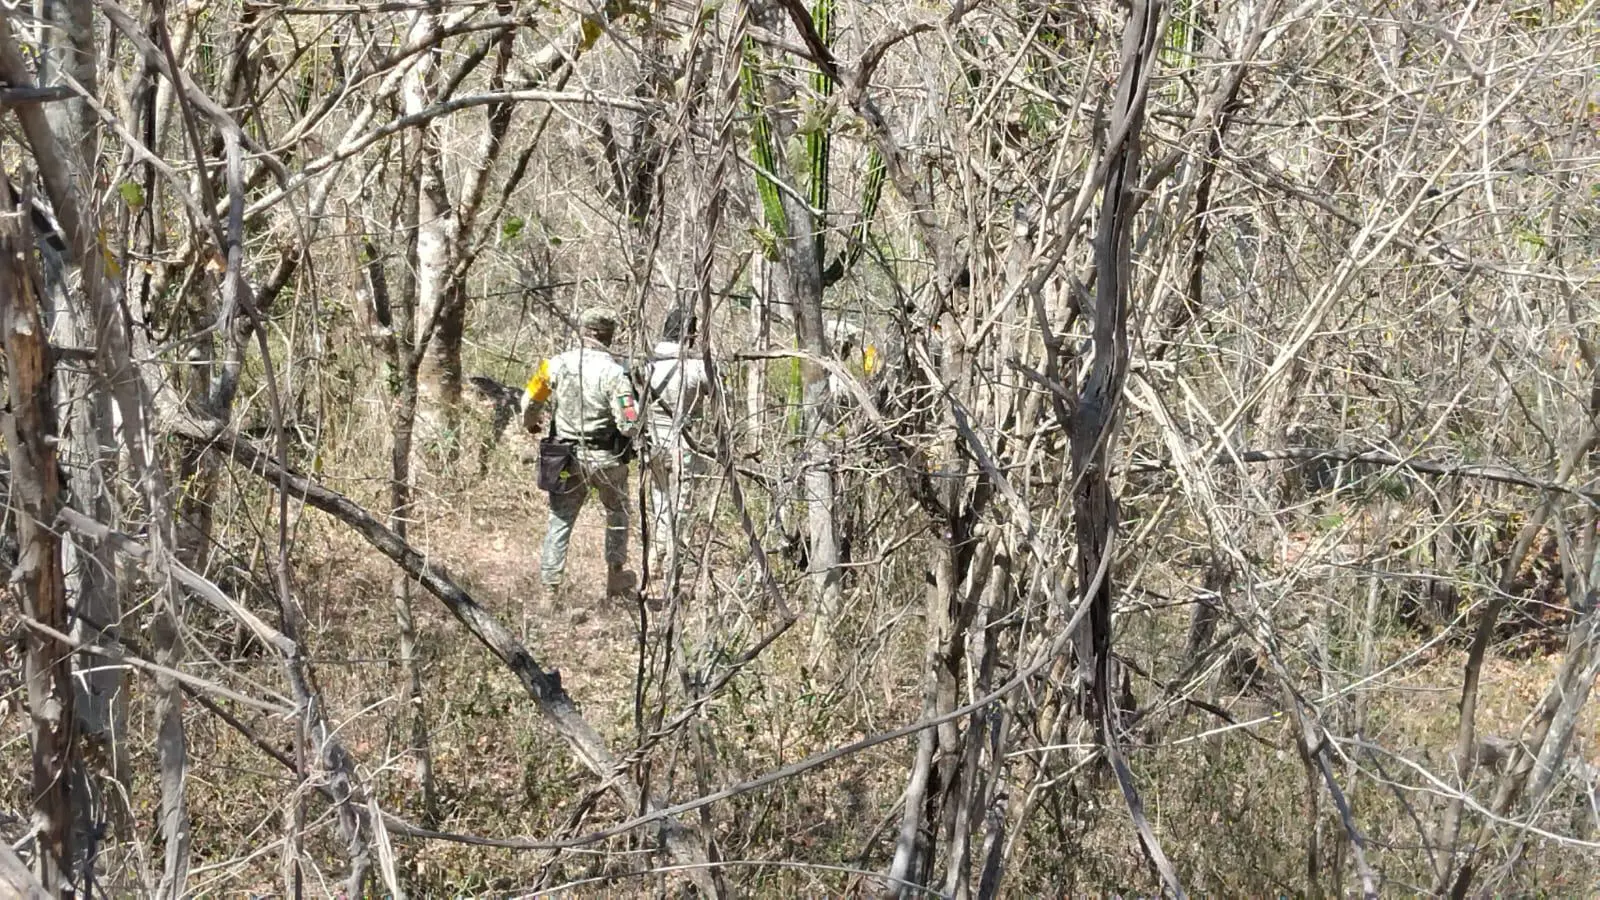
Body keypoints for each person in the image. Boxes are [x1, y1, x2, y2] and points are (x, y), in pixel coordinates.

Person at [521, 306, 641, 597]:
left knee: (560, 518)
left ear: (582, 332)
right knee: (617, 513)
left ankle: (550, 589)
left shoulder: (554, 365)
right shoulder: (615, 373)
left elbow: (528, 402)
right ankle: (615, 576)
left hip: (564, 458)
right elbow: (629, 424)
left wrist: (531, 424)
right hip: (607, 460)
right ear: (609, 336)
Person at [641, 308, 711, 578]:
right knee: (681, 505)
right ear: (691, 334)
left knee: (660, 500)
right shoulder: (695, 366)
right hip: (685, 446)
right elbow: (720, 396)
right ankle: (671, 561)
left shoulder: (646, 364)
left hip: (654, 443)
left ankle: (657, 554)